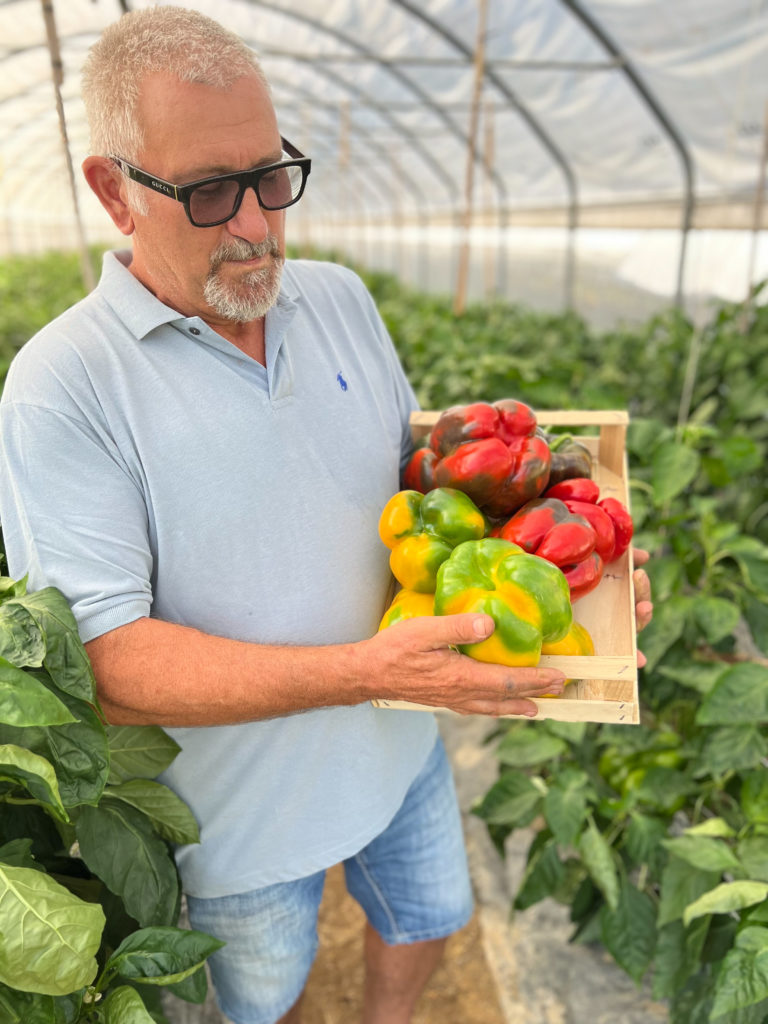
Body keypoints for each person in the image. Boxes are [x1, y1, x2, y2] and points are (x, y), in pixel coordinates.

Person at [0, 8, 652, 1024]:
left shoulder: (339, 297)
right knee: (265, 996)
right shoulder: (62, 385)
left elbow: (405, 491)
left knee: (429, 915)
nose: (257, 223)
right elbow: (107, 662)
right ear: (114, 192)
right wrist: (359, 672)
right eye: (211, 191)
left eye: (271, 176)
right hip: (238, 820)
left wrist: (580, 573)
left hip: (399, 744)